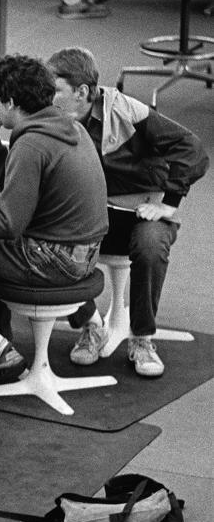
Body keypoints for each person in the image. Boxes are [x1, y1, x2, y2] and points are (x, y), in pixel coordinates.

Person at [46, 47, 207, 377]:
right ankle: (90, 325)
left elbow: (192, 149)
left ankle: (142, 337)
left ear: (82, 92)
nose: (50, 99)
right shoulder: (55, 118)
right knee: (43, 240)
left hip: (142, 213)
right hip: (92, 215)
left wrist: (169, 203)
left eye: (56, 91)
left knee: (150, 246)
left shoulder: (127, 111)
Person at [0, 53, 109, 375]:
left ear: (12, 101)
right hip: (83, 253)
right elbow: (15, 188)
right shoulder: (67, 125)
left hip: (55, 259)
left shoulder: (32, 144)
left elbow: (9, 223)